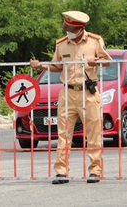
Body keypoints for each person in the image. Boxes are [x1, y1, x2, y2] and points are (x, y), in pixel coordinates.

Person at [30, 10, 112, 184]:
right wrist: (41, 66)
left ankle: (95, 170)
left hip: (88, 93)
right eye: (67, 27)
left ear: (81, 29)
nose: (68, 31)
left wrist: (95, 61)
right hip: (67, 92)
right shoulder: (61, 44)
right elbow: (57, 66)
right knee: (63, 133)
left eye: (72, 29)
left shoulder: (95, 41)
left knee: (93, 132)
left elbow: (108, 61)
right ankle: (61, 172)